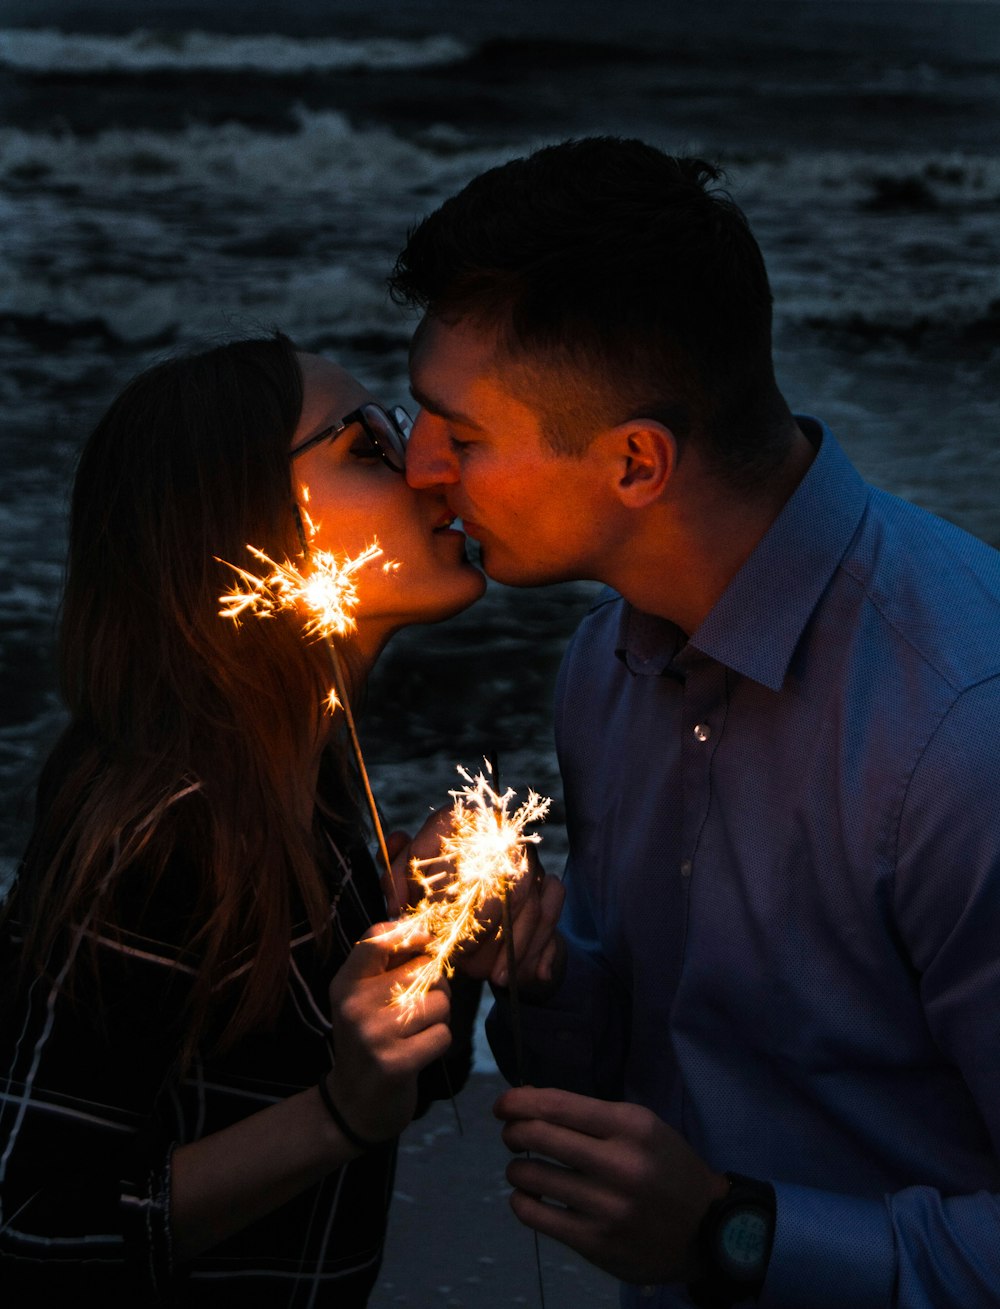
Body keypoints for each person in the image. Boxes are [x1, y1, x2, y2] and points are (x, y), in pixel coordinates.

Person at [387, 137, 1000, 1309]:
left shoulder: (957, 734)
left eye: (459, 437)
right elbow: (648, 1061)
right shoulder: (607, 660)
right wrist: (545, 971)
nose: (419, 469)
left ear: (634, 464)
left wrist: (732, 1232)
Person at [0, 333, 558, 1305]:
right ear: (236, 523)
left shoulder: (308, 779)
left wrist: (438, 942)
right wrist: (340, 1113)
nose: (429, 465)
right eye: (367, 444)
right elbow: (30, 1227)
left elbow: (370, 1083)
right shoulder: (169, 827)